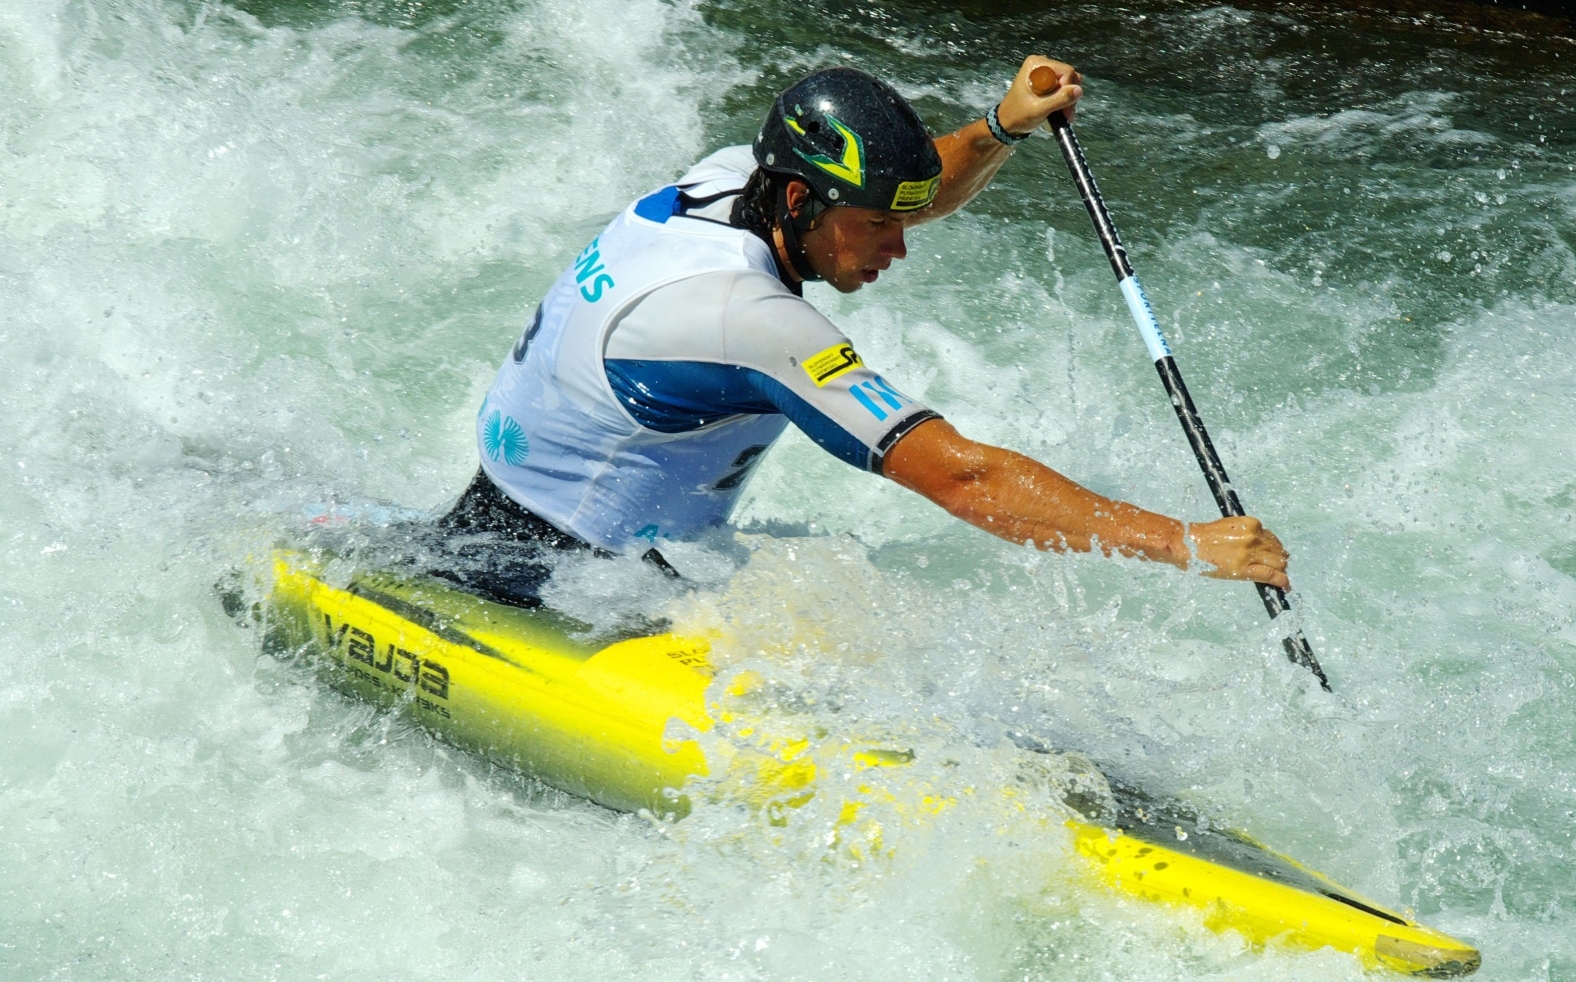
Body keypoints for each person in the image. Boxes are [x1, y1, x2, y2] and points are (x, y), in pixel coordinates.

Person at [440, 56, 1289, 607]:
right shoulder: (750, 320)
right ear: (803, 203)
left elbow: (916, 188)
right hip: (559, 588)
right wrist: (1182, 543)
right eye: (880, 224)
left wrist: (1001, 125)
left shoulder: (733, 177)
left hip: (511, 515)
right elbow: (963, 479)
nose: (901, 246)